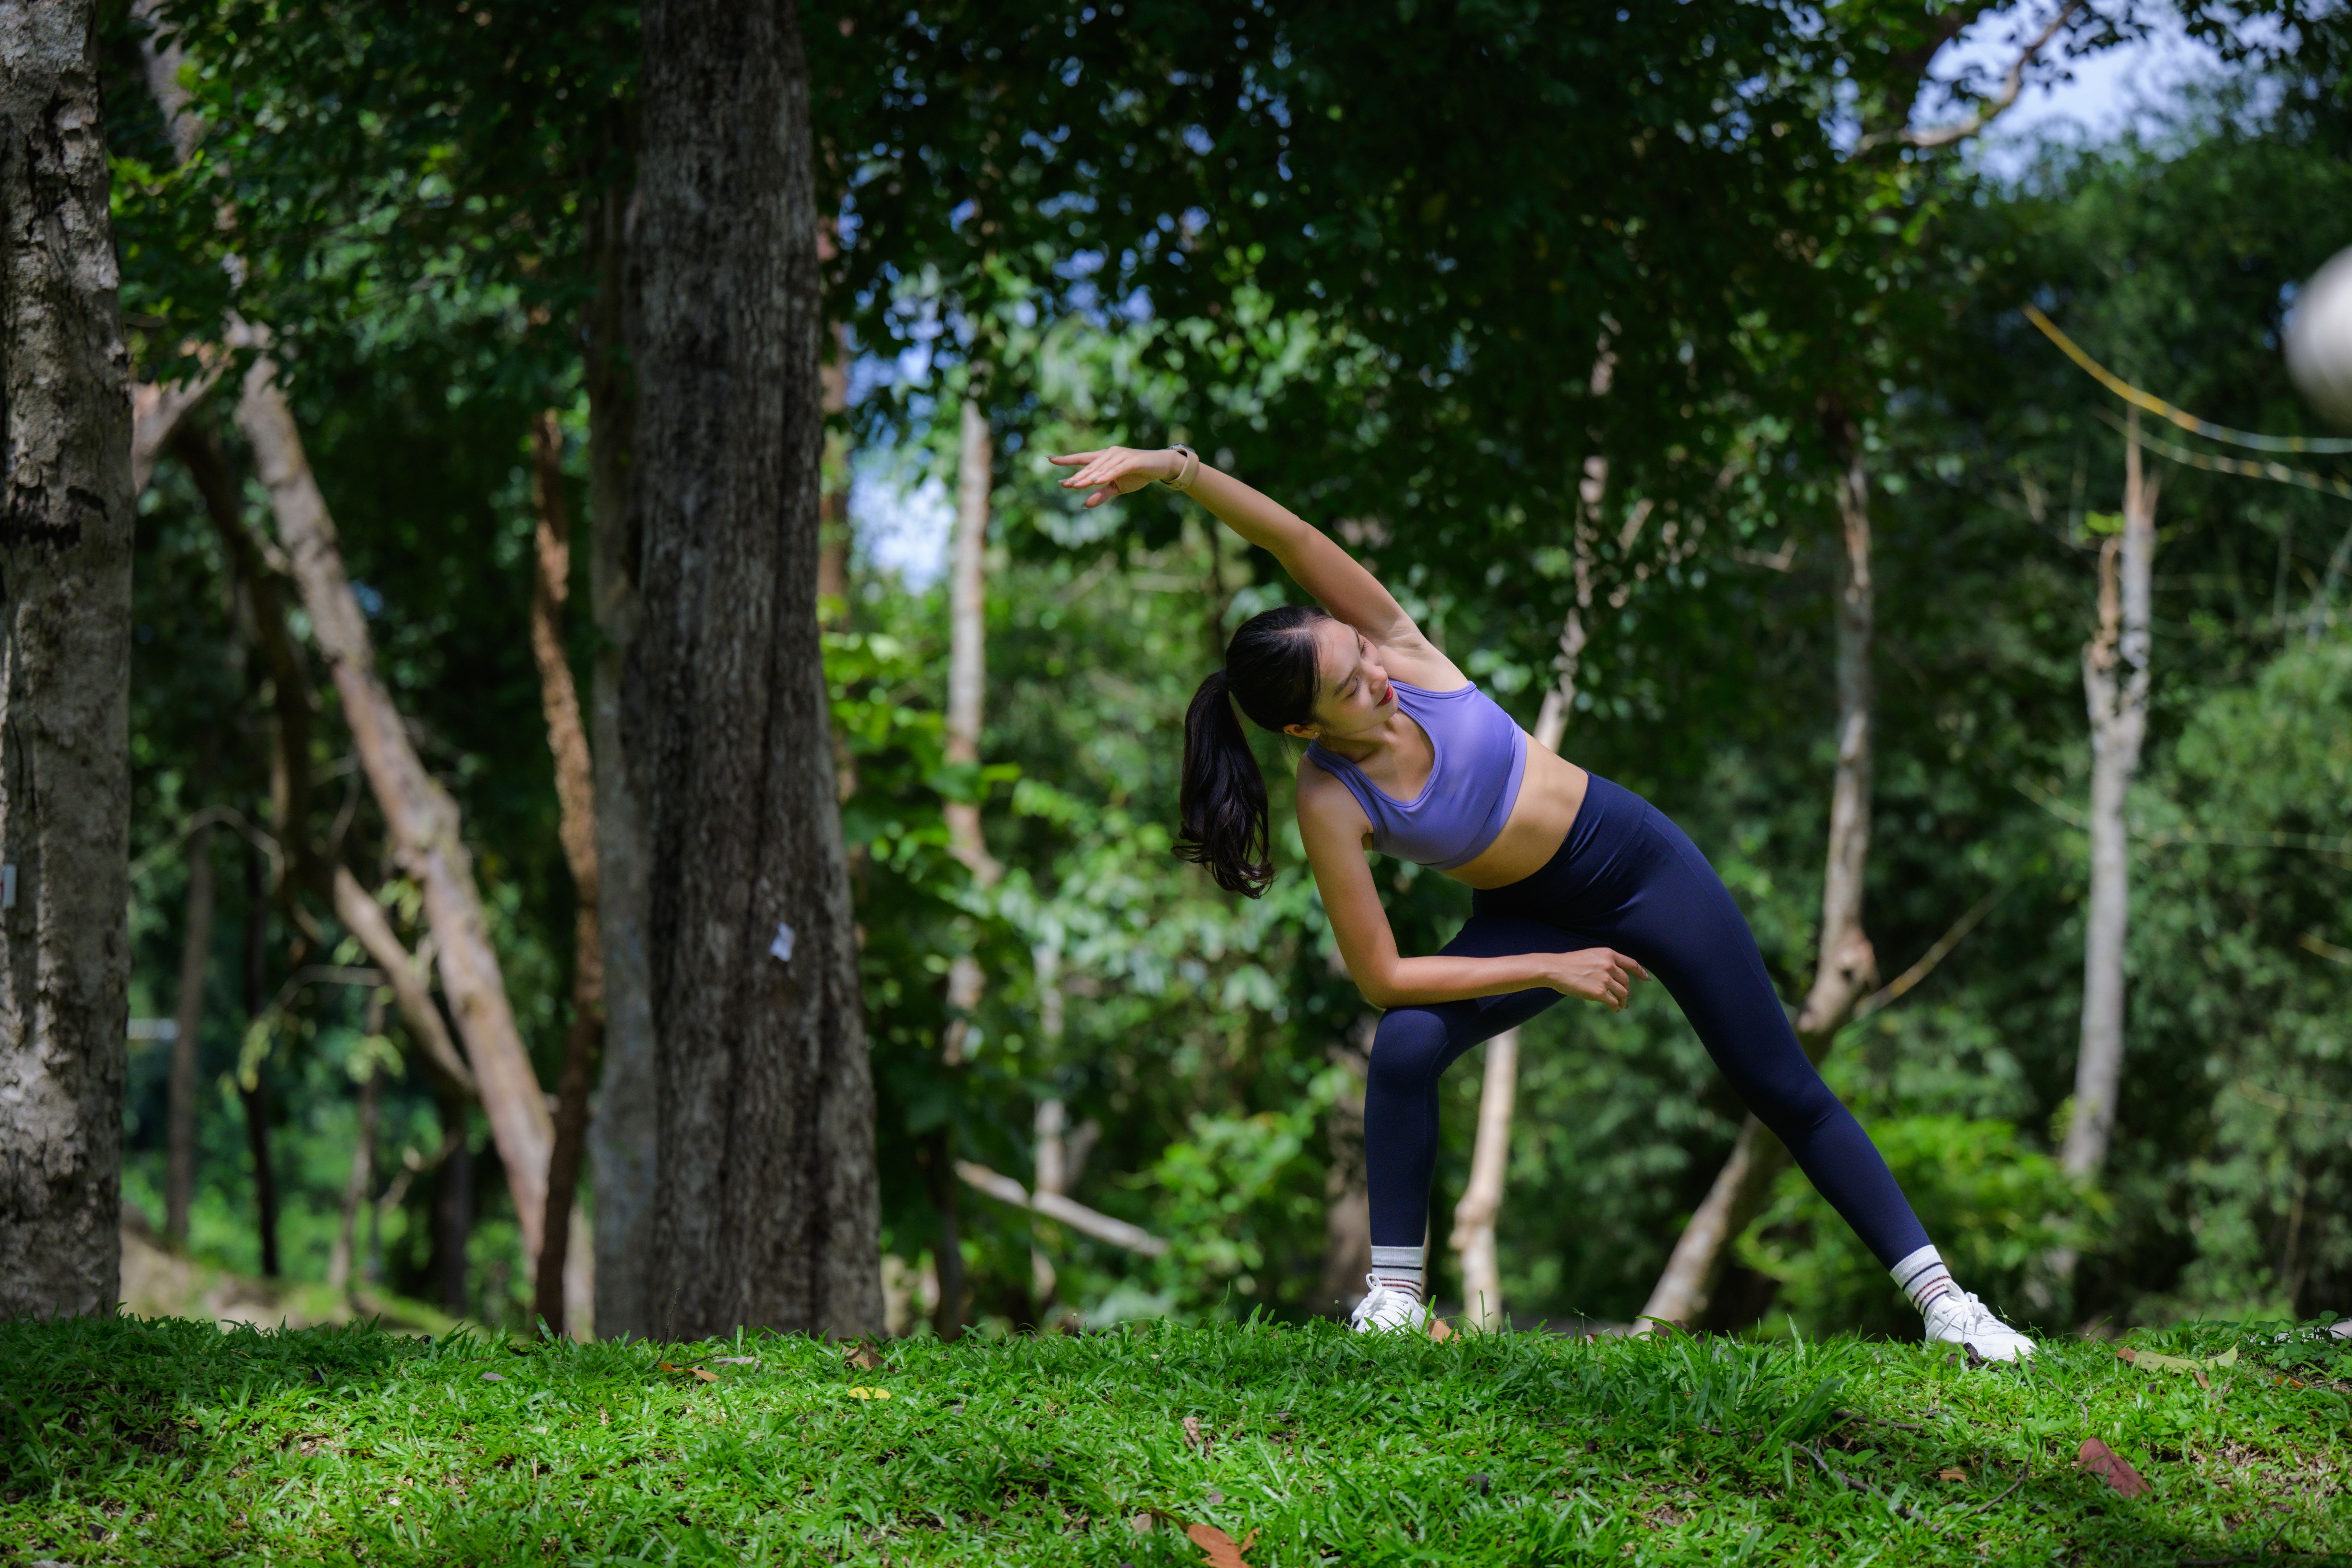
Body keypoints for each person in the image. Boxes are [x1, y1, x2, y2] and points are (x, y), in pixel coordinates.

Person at [1050, 442, 2035, 1361]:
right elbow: (1382, 977)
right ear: (1306, 729)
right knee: (1404, 1045)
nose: (1378, 676)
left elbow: (1295, 541)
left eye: (1361, 652)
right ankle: (1395, 1300)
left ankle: (1947, 1305)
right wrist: (1549, 966)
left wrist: (1177, 470)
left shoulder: (1402, 651)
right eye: (1351, 687)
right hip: (1527, 915)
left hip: (1640, 865)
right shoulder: (1330, 799)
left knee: (1779, 1084)